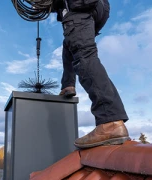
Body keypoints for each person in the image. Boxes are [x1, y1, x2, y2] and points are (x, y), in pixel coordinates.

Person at [51, 0, 130, 148]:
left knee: (84, 55)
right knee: (70, 43)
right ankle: (68, 84)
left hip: (79, 5)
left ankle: (110, 122)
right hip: (98, 7)